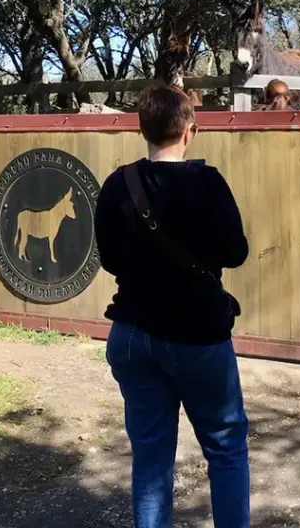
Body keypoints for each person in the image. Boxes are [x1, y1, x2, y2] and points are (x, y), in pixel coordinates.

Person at [94, 84, 251, 528]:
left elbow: (108, 259)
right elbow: (235, 252)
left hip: (131, 337)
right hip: (198, 338)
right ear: (190, 131)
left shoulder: (117, 184)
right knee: (225, 448)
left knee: (150, 460)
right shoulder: (208, 182)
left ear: (142, 129)